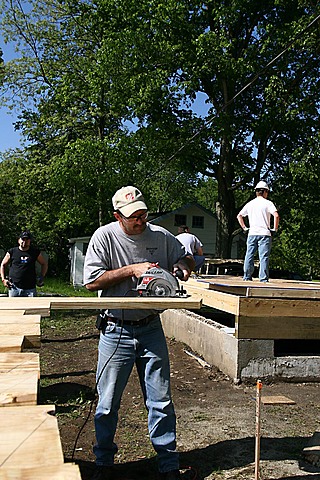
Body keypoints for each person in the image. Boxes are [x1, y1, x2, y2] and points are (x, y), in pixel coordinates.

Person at [83, 186, 195, 480]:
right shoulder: (104, 237)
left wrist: (182, 267)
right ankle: (104, 463)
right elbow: (92, 282)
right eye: (133, 216)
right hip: (115, 329)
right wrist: (131, 269)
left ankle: (169, 463)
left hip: (150, 328)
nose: (140, 220)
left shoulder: (160, 236)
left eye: (143, 214)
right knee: (107, 403)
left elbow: (188, 258)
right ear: (117, 215)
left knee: (160, 400)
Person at [237, 181, 280, 282]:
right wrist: (275, 229)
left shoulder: (250, 204)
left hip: (252, 233)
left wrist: (245, 228)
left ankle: (247, 277)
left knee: (249, 255)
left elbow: (239, 216)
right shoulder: (268, 203)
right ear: (265, 192)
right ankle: (263, 279)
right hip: (265, 234)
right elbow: (276, 215)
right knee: (263, 257)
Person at [0, 231, 48, 297]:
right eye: (23, 239)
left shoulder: (35, 252)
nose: (24, 242)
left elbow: (44, 263)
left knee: (32, 306)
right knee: (13, 306)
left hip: (30, 288)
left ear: (30, 241)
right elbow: (3, 265)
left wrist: (42, 276)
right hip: (14, 287)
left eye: (27, 239)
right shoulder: (12, 252)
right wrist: (3, 279)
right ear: (19, 240)